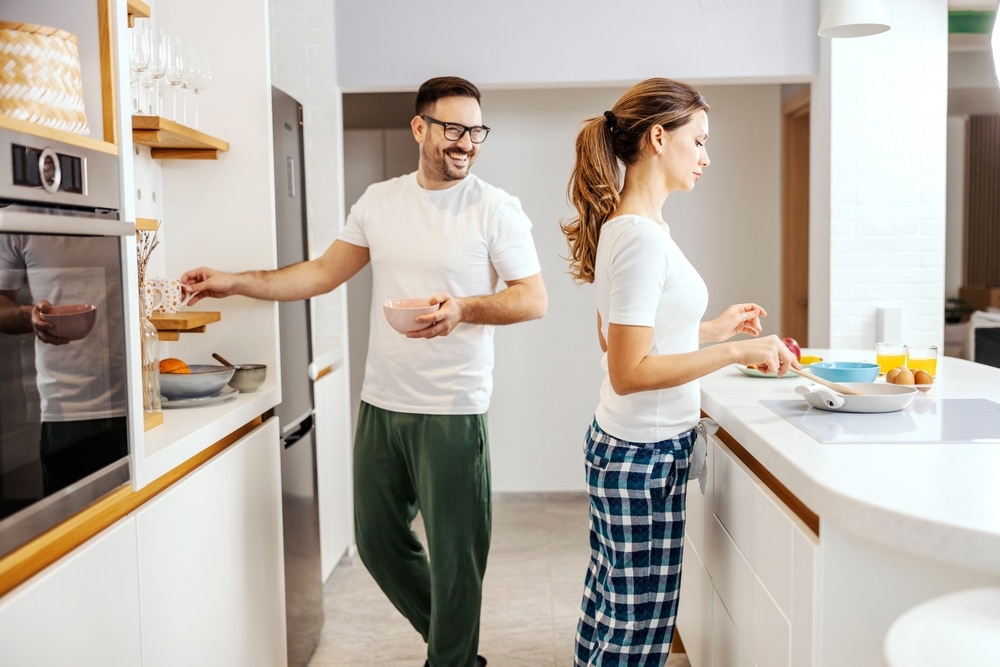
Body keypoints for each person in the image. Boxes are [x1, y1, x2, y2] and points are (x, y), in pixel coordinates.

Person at [180, 76, 547, 667]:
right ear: (420, 127)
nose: (466, 143)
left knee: (457, 559)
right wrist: (235, 280)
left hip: (453, 408)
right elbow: (321, 273)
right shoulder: (380, 201)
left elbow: (533, 299)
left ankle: (450, 661)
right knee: (376, 541)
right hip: (383, 401)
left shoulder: (494, 208)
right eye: (453, 128)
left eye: (476, 131)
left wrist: (464, 309)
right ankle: (455, 650)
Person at [560, 78, 799, 665]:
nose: (707, 157)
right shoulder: (640, 237)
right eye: (699, 141)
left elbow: (618, 336)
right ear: (659, 137)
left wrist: (713, 330)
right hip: (641, 457)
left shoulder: (629, 226)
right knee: (639, 632)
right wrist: (736, 353)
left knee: (610, 609)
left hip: (625, 447)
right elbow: (628, 369)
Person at [0, 233, 128, 497]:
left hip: (134, 407)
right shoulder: (16, 221)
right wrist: (29, 317)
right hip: (64, 410)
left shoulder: (122, 209)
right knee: (74, 529)